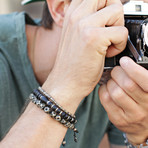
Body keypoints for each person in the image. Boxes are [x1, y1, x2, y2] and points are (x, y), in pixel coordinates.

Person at [0, 0, 147, 148]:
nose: (141, 29)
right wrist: (66, 86)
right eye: (125, 10)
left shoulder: (118, 75)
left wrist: (139, 137)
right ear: (61, 9)